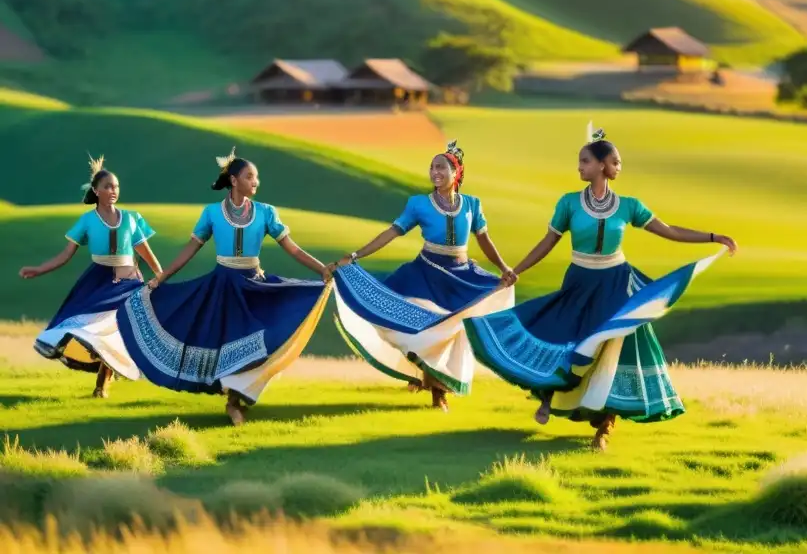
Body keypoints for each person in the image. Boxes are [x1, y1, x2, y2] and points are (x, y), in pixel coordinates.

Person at [465, 125, 737, 451]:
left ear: (602, 165)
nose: (579, 167)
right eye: (579, 161)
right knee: (562, 337)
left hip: (615, 285)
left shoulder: (629, 206)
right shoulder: (568, 203)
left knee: (612, 349)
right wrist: (515, 271)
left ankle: (604, 427)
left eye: (584, 161)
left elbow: (669, 231)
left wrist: (712, 237)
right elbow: (547, 242)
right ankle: (547, 394)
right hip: (578, 285)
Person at [115, 148, 335, 426]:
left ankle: (238, 397)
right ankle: (233, 402)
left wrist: (322, 269)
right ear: (234, 181)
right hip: (222, 287)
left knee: (262, 340)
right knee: (226, 343)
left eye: (256, 177)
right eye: (250, 177)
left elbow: (292, 249)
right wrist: (161, 278)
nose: (256, 182)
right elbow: (190, 249)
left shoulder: (267, 212)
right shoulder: (211, 213)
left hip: (254, 287)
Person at [328, 140, 516, 412]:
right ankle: (436, 391)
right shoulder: (419, 204)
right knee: (422, 328)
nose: (434, 171)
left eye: (441, 167)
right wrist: (356, 256)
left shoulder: (472, 205)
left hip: (462, 276)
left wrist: (503, 268)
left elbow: (484, 240)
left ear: (456, 173)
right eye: (431, 167)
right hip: (425, 274)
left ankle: (435, 381)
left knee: (455, 330)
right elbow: (391, 232)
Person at [22, 155, 162, 398]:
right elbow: (65, 255)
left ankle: (101, 387)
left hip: (130, 283)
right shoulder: (87, 221)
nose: (113, 190)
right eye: (107, 186)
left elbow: (146, 253)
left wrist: (161, 276)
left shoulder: (131, 218)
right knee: (91, 330)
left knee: (118, 332)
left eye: (116, 186)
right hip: (98, 282)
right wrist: (39, 269)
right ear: (96, 191)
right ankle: (100, 374)